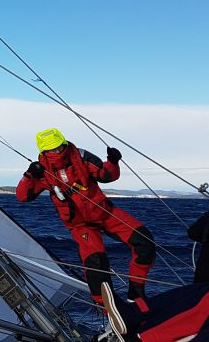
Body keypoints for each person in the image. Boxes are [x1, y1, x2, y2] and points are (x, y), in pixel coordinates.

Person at [16, 128, 155, 304]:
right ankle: (109, 309)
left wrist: (113, 161)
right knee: (96, 262)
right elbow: (22, 196)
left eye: (60, 146)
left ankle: (136, 292)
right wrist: (28, 176)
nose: (58, 151)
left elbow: (106, 175)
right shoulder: (41, 171)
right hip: (80, 225)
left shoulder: (81, 157)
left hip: (105, 212)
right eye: (53, 149)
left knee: (144, 241)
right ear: (44, 151)